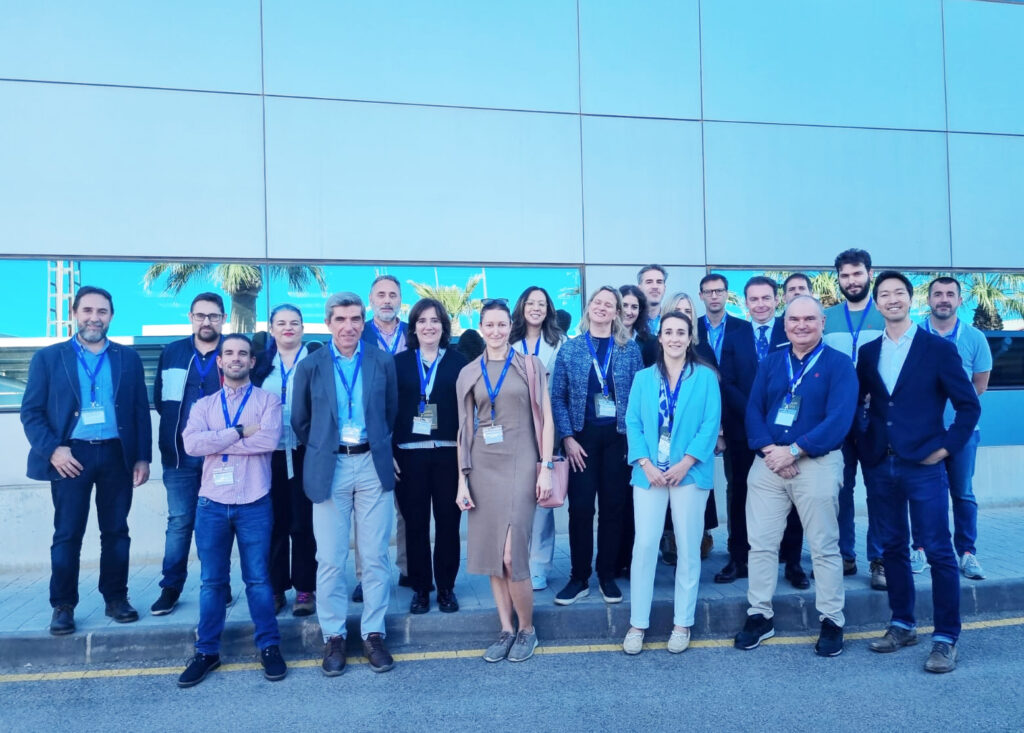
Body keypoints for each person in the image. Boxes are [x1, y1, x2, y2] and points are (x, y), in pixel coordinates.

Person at [857, 271, 980, 674]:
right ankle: (902, 623)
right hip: (880, 464)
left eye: (899, 293)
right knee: (892, 547)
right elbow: (865, 406)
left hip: (923, 465)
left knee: (938, 550)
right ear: (877, 304)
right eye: (884, 295)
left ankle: (946, 638)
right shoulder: (869, 352)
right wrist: (864, 446)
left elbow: (968, 407)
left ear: (912, 300)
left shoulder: (937, 349)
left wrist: (945, 447)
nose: (891, 300)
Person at [21, 286, 151, 636]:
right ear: (75, 313)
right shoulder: (48, 358)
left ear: (111, 316)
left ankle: (116, 598)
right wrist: (53, 450)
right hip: (70, 455)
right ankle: (63, 606)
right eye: (88, 310)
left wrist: (142, 456)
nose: (95, 317)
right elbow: (31, 412)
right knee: (67, 534)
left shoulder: (128, 358)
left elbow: (140, 410)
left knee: (116, 532)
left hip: (116, 454)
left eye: (102, 311)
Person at [733, 296, 857, 657]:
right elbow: (754, 409)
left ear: (822, 322)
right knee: (761, 545)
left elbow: (839, 419)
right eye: (793, 320)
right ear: (784, 324)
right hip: (769, 462)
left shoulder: (839, 365)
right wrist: (771, 451)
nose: (800, 325)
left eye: (809, 319)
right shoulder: (772, 362)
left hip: (816, 463)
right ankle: (759, 615)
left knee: (823, 547)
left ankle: (832, 620)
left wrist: (795, 450)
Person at [291, 292, 399, 676]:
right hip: (330, 467)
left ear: (363, 320)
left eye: (355, 319)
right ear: (328, 323)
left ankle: (373, 633)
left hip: (372, 464)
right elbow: (300, 419)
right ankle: (334, 636)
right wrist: (323, 448)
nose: (349, 326)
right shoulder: (312, 365)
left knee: (374, 557)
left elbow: (390, 412)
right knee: (331, 560)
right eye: (340, 319)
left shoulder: (381, 360)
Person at [177, 335, 287, 687]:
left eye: (243, 353)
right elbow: (192, 444)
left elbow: (268, 441)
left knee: (258, 580)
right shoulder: (203, 405)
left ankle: (269, 647)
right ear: (220, 362)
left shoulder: (269, 401)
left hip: (255, 502)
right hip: (211, 505)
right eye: (229, 353)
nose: (236, 358)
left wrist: (219, 439)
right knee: (212, 582)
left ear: (252, 362)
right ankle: (207, 651)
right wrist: (239, 431)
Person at [455, 299, 554, 662]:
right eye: (489, 325)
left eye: (501, 325)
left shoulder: (530, 365)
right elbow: (464, 430)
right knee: (492, 556)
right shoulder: (468, 373)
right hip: (483, 466)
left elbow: (546, 419)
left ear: (508, 327)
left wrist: (545, 466)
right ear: (481, 327)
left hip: (521, 462)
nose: (496, 331)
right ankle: (506, 629)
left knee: (512, 555)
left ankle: (527, 629)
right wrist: (462, 481)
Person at [622, 312, 721, 655]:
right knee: (646, 545)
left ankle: (682, 622)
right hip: (649, 474)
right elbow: (632, 422)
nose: (675, 338)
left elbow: (711, 424)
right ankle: (638, 624)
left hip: (689, 473)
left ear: (690, 337)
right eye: (669, 332)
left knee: (688, 547)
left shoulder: (706, 377)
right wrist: (646, 463)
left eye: (682, 332)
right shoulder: (642, 379)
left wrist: (686, 462)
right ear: (660, 338)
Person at [551, 286, 644, 605]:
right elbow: (557, 397)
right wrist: (567, 438)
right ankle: (579, 577)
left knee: (614, 507)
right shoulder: (571, 349)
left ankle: (606, 574)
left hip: (618, 440)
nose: (603, 308)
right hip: (582, 439)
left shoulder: (629, 350)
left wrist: (634, 442)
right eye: (597, 302)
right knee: (580, 509)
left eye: (610, 304)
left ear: (617, 312)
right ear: (589, 308)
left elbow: (639, 399)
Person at [719, 277, 808, 588]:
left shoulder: (792, 330)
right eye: (753, 299)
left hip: (787, 432)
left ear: (776, 300)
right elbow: (727, 382)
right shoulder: (734, 336)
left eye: (766, 298)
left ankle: (793, 562)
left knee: (792, 494)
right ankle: (738, 558)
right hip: (743, 431)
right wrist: (756, 415)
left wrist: (770, 420)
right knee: (739, 494)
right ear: (746, 303)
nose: (760, 305)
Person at [909, 277, 992, 580]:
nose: (943, 299)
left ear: (959, 300)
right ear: (928, 300)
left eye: (950, 294)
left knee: (963, 493)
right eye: (937, 294)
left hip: (962, 433)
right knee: (921, 492)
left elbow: (979, 386)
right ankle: (919, 549)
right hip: (922, 432)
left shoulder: (974, 338)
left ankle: (967, 554)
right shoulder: (914, 335)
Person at [151, 292, 226, 616]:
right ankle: (171, 587)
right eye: (200, 315)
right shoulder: (173, 352)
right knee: (180, 521)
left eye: (212, 316)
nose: (206, 321)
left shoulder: (233, 350)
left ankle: (218, 585)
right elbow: (160, 399)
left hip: (223, 456)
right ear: (191, 317)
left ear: (223, 318)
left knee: (218, 523)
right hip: (180, 457)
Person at [393, 298, 468, 613]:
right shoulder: (396, 363)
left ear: (444, 327)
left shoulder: (460, 362)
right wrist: (388, 452)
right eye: (422, 321)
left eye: (435, 321)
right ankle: (421, 587)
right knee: (415, 525)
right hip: (408, 457)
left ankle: (447, 588)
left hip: (449, 456)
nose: (429, 326)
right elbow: (386, 410)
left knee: (449, 524)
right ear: (413, 327)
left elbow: (470, 410)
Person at [822, 249, 887, 588]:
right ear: (839, 279)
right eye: (845, 276)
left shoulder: (886, 314)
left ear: (869, 274)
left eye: (857, 274)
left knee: (879, 491)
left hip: (874, 418)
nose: (852, 281)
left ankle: (879, 560)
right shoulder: (826, 318)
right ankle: (845, 555)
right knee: (840, 490)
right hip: (837, 419)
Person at [252, 304, 321, 617]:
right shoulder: (261, 364)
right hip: (269, 455)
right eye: (281, 323)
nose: (288, 328)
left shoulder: (316, 359)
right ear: (272, 328)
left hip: (306, 452)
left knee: (303, 523)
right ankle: (276, 588)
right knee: (273, 523)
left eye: (294, 322)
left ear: (303, 328)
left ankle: (306, 588)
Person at [353, 274, 408, 601]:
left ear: (400, 300)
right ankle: (365, 576)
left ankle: (408, 567)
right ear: (370, 300)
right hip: (370, 433)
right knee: (369, 512)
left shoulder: (413, 333)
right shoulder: (360, 334)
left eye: (393, 295)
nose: (387, 300)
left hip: (410, 429)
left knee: (407, 509)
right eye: (381, 295)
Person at [509, 286, 567, 591]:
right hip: (514, 426)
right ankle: (516, 561)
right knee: (517, 499)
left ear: (548, 309)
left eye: (541, 304)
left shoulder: (560, 342)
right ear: (522, 307)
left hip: (548, 425)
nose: (535, 308)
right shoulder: (507, 340)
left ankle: (539, 565)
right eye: (530, 302)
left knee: (544, 498)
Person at [660, 290, 719, 561]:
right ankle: (671, 540)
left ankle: (700, 537)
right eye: (678, 309)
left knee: (695, 492)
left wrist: (719, 432)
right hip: (664, 437)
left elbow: (717, 395)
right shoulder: (656, 348)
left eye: (688, 311)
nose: (683, 314)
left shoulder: (703, 348)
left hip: (696, 440)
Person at [619, 284, 658, 367]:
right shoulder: (605, 339)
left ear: (640, 310)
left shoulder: (652, 342)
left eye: (634, 307)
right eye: (624, 305)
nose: (629, 312)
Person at [637, 265, 668, 333]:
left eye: (659, 282)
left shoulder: (672, 320)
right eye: (649, 282)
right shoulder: (631, 319)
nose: (655, 286)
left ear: (664, 288)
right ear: (639, 288)